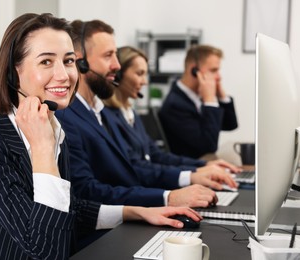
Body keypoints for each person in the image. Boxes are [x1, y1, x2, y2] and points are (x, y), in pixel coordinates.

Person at [0, 13, 203, 260]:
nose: (64, 75)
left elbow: (69, 208)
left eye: (68, 61)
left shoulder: (56, 130)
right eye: (46, 61)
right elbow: (45, 250)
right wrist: (42, 149)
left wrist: (135, 212)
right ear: (14, 73)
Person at [56, 19, 236, 210]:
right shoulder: (67, 117)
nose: (116, 65)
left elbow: (135, 166)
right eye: (108, 55)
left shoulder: (102, 113)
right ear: (80, 62)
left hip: (134, 207)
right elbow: (86, 191)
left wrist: (192, 175)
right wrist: (168, 197)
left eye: (116, 55)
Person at [102, 46, 241, 185]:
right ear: (118, 75)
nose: (145, 82)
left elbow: (156, 155)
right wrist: (192, 174)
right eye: (139, 74)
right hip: (146, 186)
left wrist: (203, 165)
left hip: (159, 177)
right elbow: (209, 145)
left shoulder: (131, 113)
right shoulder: (174, 105)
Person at [158, 45, 238, 159]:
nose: (218, 77)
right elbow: (208, 146)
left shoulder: (196, 96)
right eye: (213, 70)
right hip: (192, 167)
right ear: (194, 70)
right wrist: (209, 100)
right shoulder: (175, 105)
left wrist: (221, 96)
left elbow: (230, 125)